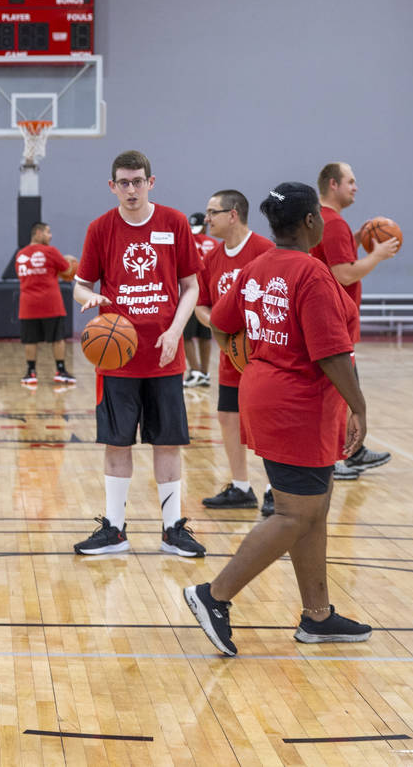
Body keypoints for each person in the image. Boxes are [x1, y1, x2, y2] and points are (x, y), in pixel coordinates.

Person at [184, 182, 372, 656]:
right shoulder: (312, 273)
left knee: (314, 510)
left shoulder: (258, 266)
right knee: (294, 514)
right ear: (311, 221)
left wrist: (249, 359)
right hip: (298, 405)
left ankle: (318, 616)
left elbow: (221, 322)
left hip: (271, 395)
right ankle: (214, 595)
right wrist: (360, 406)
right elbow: (331, 354)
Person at [71, 150, 205, 557]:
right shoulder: (100, 228)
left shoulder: (174, 222)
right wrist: (89, 296)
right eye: (124, 183)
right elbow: (79, 285)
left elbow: (191, 286)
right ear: (112, 186)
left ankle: (172, 530)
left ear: (151, 182)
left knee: (167, 443)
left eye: (138, 181)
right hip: (117, 357)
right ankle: (114, 530)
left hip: (165, 354)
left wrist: (175, 331)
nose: (131, 190)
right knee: (117, 444)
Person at [311, 162, 396, 479]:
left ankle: (353, 451)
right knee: (339, 393)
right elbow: (343, 273)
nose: (356, 187)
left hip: (328, 318)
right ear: (333, 184)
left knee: (346, 390)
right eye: (351, 181)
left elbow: (331, 259)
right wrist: (377, 255)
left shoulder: (324, 221)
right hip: (333, 321)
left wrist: (357, 238)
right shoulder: (333, 223)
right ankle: (332, 458)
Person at [194, 190, 275, 515]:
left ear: (233, 214)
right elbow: (201, 305)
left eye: (212, 212)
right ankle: (241, 487)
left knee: (267, 420)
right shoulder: (211, 258)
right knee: (228, 417)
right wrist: (217, 322)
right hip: (231, 354)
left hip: (265, 357)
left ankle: (274, 489)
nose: (207, 219)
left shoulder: (265, 251)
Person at [15, 222, 76, 385]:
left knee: (30, 340)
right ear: (38, 233)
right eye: (48, 232)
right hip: (51, 304)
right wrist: (70, 263)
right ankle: (61, 371)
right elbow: (67, 270)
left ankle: (31, 373)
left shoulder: (20, 255)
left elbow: (22, 276)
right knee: (57, 339)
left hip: (28, 305)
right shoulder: (51, 251)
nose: (50, 236)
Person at [182, 212, 217, 387]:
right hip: (209, 297)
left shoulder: (188, 242)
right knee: (205, 335)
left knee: (185, 336)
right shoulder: (215, 244)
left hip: (192, 295)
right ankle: (204, 373)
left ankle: (195, 372)